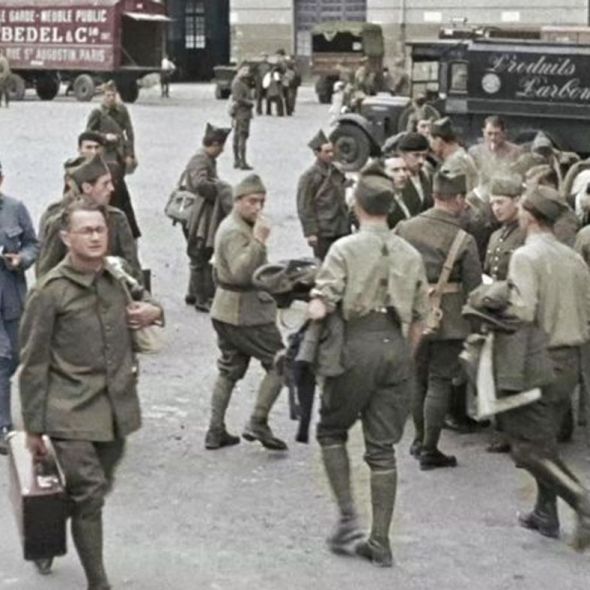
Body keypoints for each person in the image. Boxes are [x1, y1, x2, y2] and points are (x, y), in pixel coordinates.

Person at [19, 198, 163, 589]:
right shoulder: (50, 292)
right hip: (68, 410)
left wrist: (154, 311)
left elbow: (149, 301)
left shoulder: (117, 276)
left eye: (100, 229)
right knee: (90, 493)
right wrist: (34, 428)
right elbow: (32, 364)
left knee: (98, 486)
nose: (96, 237)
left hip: (114, 409)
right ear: (67, 238)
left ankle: (47, 526)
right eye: (86, 231)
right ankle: (98, 583)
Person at [308, 165, 428, 566]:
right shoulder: (409, 253)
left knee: (331, 430)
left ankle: (347, 517)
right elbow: (421, 319)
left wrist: (311, 308)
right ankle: (380, 540)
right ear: (390, 208)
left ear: (356, 205)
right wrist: (404, 356)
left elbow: (323, 302)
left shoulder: (344, 249)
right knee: (382, 450)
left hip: (355, 346)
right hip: (396, 345)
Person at [499, 185, 590, 551]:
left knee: (527, 448)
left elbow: (522, 312)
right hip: (570, 359)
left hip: (538, 359)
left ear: (530, 216)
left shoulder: (525, 256)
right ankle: (545, 512)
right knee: (545, 438)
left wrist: (495, 300)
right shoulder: (574, 258)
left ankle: (581, 501)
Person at [395, 168, 482, 469]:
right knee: (440, 380)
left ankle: (418, 440)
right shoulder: (463, 239)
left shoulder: (405, 228)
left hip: (413, 315)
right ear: (458, 198)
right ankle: (429, 448)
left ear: (433, 195)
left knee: (418, 378)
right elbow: (474, 289)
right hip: (450, 319)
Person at [205, 174, 287, 451]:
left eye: (262, 202)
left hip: (227, 311)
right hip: (247, 314)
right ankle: (258, 421)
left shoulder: (236, 225)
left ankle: (215, 430)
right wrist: (259, 241)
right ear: (237, 201)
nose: (258, 208)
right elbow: (241, 273)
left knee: (229, 369)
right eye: (252, 201)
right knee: (281, 363)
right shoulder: (235, 231)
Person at [36, 154, 141, 282]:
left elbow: (133, 270)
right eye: (105, 184)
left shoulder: (117, 219)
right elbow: (45, 273)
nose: (112, 188)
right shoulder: (58, 222)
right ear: (87, 188)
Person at [482, 174, 525, 453]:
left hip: (518, 311)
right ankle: (504, 430)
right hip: (497, 312)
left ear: (517, 201)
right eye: (492, 203)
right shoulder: (496, 235)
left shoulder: (525, 234)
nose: (495, 208)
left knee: (519, 374)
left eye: (501, 202)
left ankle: (519, 431)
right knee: (498, 372)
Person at [0, 161, 38, 454]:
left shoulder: (15, 208)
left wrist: (21, 259)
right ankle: (3, 426)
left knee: (14, 355)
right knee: (1, 359)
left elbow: (32, 244)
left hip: (10, 294)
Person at [182, 123, 232, 311]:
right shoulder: (200, 159)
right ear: (215, 144)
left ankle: (192, 293)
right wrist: (220, 189)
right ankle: (201, 299)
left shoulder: (206, 158)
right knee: (199, 254)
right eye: (221, 146)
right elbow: (200, 184)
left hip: (201, 213)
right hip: (198, 215)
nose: (222, 151)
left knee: (199, 254)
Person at [87, 80, 141, 238]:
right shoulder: (97, 113)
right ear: (103, 96)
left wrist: (130, 154)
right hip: (105, 155)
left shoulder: (122, 111)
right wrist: (105, 137)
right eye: (107, 95)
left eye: (113, 95)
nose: (110, 98)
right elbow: (88, 134)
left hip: (119, 154)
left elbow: (129, 133)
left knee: (119, 185)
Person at [296, 130, 349, 260]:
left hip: (342, 228)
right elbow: (304, 206)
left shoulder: (337, 172)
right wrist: (311, 232)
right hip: (324, 231)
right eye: (326, 152)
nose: (331, 155)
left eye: (332, 151)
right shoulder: (309, 177)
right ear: (317, 153)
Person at [468, 116, 523, 189]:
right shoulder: (475, 152)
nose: (493, 138)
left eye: (496, 134)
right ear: (483, 132)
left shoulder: (516, 152)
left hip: (506, 192)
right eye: (489, 133)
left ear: (504, 133)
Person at [429, 117, 478, 192]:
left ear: (439, 141)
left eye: (431, 140)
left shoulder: (454, 163)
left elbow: (450, 194)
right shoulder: (461, 156)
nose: (431, 145)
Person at [398, 132, 434, 212]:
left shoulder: (428, 175)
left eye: (424, 156)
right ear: (402, 154)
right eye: (416, 155)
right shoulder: (394, 179)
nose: (421, 161)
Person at [230, 65, 255, 170]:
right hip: (242, 113)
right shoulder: (238, 83)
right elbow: (239, 98)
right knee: (242, 136)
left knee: (238, 136)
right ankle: (242, 161)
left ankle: (237, 160)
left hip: (240, 113)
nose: (247, 73)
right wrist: (250, 103)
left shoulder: (240, 82)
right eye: (245, 71)